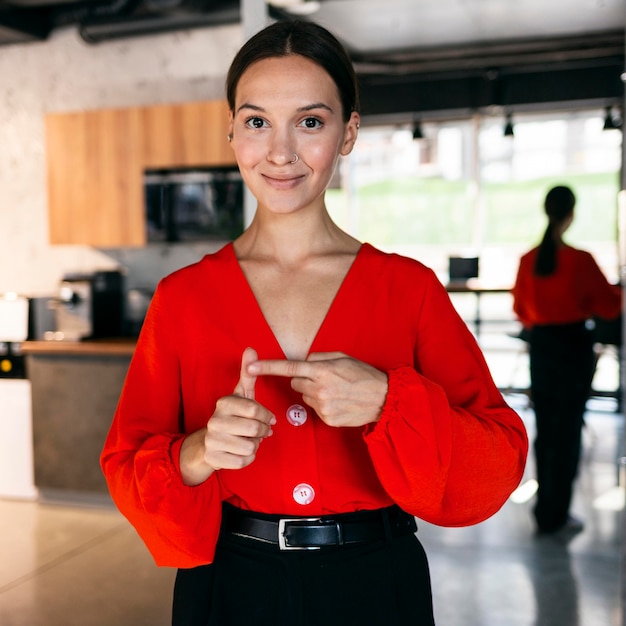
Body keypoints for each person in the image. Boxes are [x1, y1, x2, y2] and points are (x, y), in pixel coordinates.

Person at [101, 20, 528, 625]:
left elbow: (499, 459)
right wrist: (198, 453)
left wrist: (389, 403)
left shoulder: (408, 289)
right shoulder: (182, 299)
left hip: (376, 584)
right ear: (230, 130)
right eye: (256, 122)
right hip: (229, 585)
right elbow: (126, 464)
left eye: (310, 121)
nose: (280, 152)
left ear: (348, 132)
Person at [512, 185, 621, 535]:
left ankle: (545, 512)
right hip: (573, 347)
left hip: (542, 347)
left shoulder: (528, 261)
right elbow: (610, 305)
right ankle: (558, 512)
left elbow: (520, 310)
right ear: (570, 214)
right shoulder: (580, 260)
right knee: (569, 429)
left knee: (546, 431)